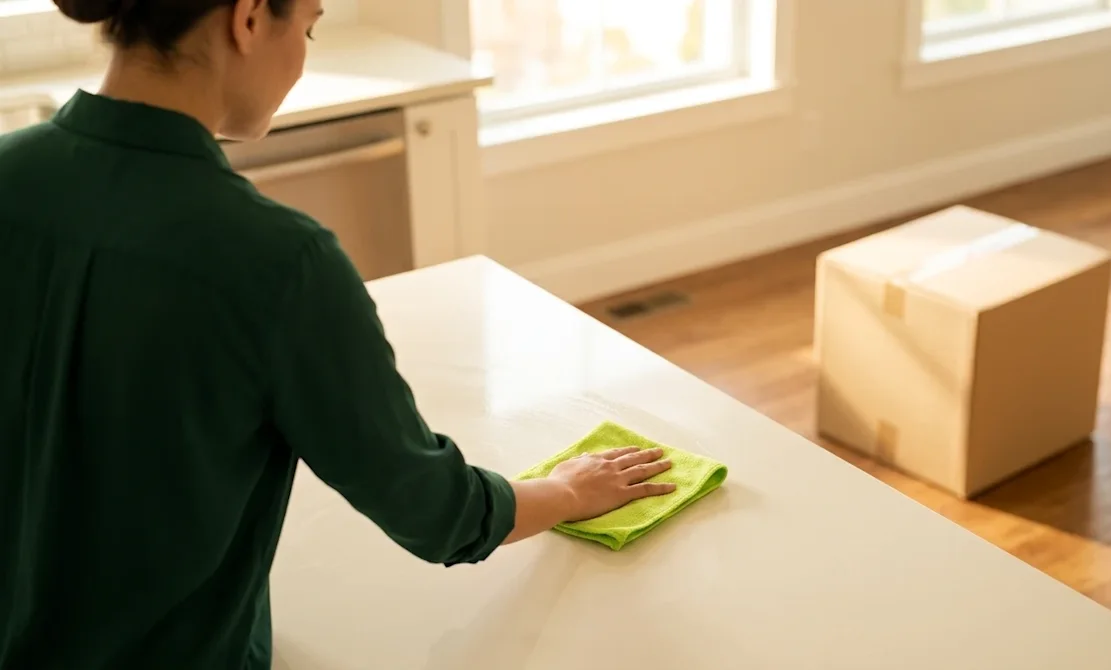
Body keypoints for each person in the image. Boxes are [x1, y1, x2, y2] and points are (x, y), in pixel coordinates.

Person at [0, 0, 677, 667]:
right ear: (249, 18)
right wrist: (566, 491)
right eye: (310, 28)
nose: (302, 58)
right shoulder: (277, 261)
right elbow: (434, 509)